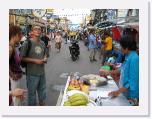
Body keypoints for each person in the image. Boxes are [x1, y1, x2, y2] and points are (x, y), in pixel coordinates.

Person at [101, 35, 139, 106]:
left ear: (127, 48)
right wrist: (109, 72)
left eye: (121, 47)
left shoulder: (134, 59)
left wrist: (117, 92)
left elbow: (132, 83)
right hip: (124, 91)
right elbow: (122, 69)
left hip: (131, 96)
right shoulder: (128, 56)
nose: (120, 48)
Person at [20, 25, 47, 106]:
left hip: (42, 73)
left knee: (42, 92)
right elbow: (22, 58)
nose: (38, 31)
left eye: (39, 29)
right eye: (35, 29)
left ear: (41, 32)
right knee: (32, 95)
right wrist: (36, 61)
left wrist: (45, 58)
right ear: (31, 32)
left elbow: (45, 53)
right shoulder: (27, 43)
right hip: (31, 74)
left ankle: (42, 105)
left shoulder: (42, 43)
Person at [9, 25, 26, 106]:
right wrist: (12, 76)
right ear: (14, 35)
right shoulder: (9, 48)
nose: (21, 36)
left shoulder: (14, 47)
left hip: (16, 78)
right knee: (16, 101)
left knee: (18, 99)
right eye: (20, 34)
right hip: (13, 79)